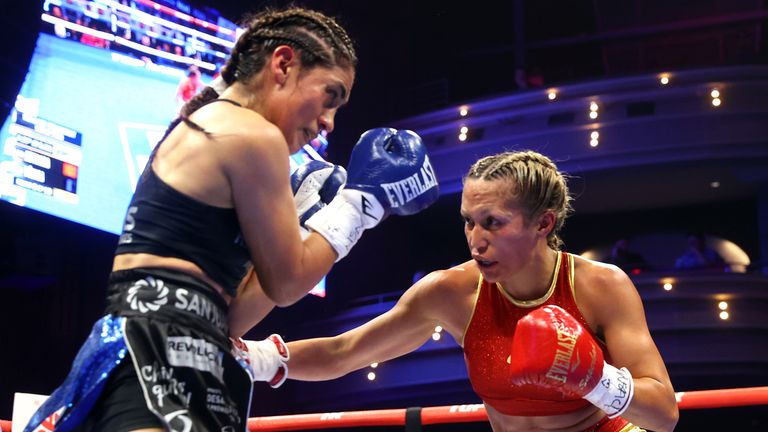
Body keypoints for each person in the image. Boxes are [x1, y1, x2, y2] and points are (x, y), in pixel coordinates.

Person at [23, 7, 439, 432]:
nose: (328, 121)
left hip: (174, 351)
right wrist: (359, 206)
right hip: (158, 354)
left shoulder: (207, 126)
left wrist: (300, 231)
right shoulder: (250, 136)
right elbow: (290, 282)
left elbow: (230, 317)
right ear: (283, 64)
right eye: (330, 96)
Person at [285, 150, 679, 432]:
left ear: (543, 223)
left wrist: (596, 380)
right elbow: (342, 353)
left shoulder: (600, 286)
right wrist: (256, 358)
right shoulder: (450, 292)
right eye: (468, 222)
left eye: (492, 222)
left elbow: (664, 414)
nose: (476, 241)